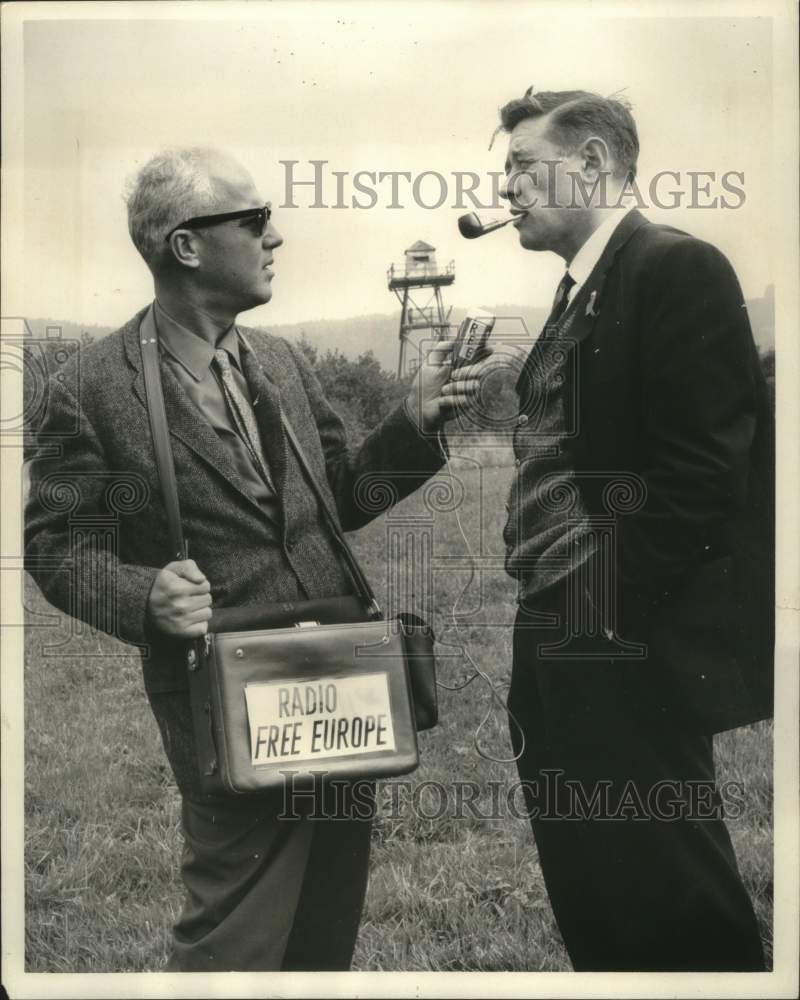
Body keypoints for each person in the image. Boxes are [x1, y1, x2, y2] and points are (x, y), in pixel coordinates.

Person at [24, 147, 484, 971]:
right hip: (228, 711)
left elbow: (340, 496)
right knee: (231, 941)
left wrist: (412, 423)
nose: (276, 237)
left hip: (343, 690)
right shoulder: (89, 388)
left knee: (323, 937)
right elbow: (56, 548)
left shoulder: (281, 361)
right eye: (255, 220)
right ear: (187, 246)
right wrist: (143, 597)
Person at [465, 88, 773, 971]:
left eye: (523, 166)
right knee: (594, 893)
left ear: (593, 163)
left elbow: (702, 477)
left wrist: (600, 610)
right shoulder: (583, 288)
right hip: (558, 631)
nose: (507, 188)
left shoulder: (674, 267)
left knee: (672, 901)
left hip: (617, 638)